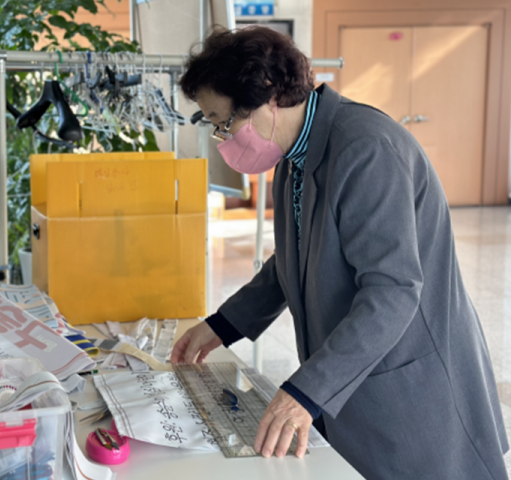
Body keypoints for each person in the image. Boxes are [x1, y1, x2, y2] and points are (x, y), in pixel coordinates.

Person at [170, 26, 509, 480]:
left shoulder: (365, 149)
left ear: (266, 94)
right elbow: (292, 260)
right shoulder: (294, 156)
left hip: (412, 389)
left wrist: (306, 391)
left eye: (223, 121)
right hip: (356, 381)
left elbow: (393, 291)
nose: (222, 136)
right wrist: (223, 326)